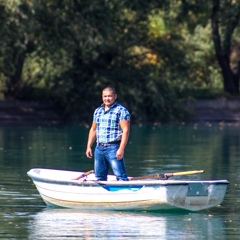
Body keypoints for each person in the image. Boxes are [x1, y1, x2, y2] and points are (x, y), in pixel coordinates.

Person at [86, 86, 131, 181]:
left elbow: (126, 130)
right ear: (102, 97)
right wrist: (89, 146)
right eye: (105, 96)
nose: (107, 98)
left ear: (115, 96)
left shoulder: (121, 111)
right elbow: (94, 129)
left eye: (110, 96)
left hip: (114, 148)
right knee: (99, 177)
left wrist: (121, 149)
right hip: (99, 148)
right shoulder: (98, 111)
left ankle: (125, 192)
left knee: (121, 176)